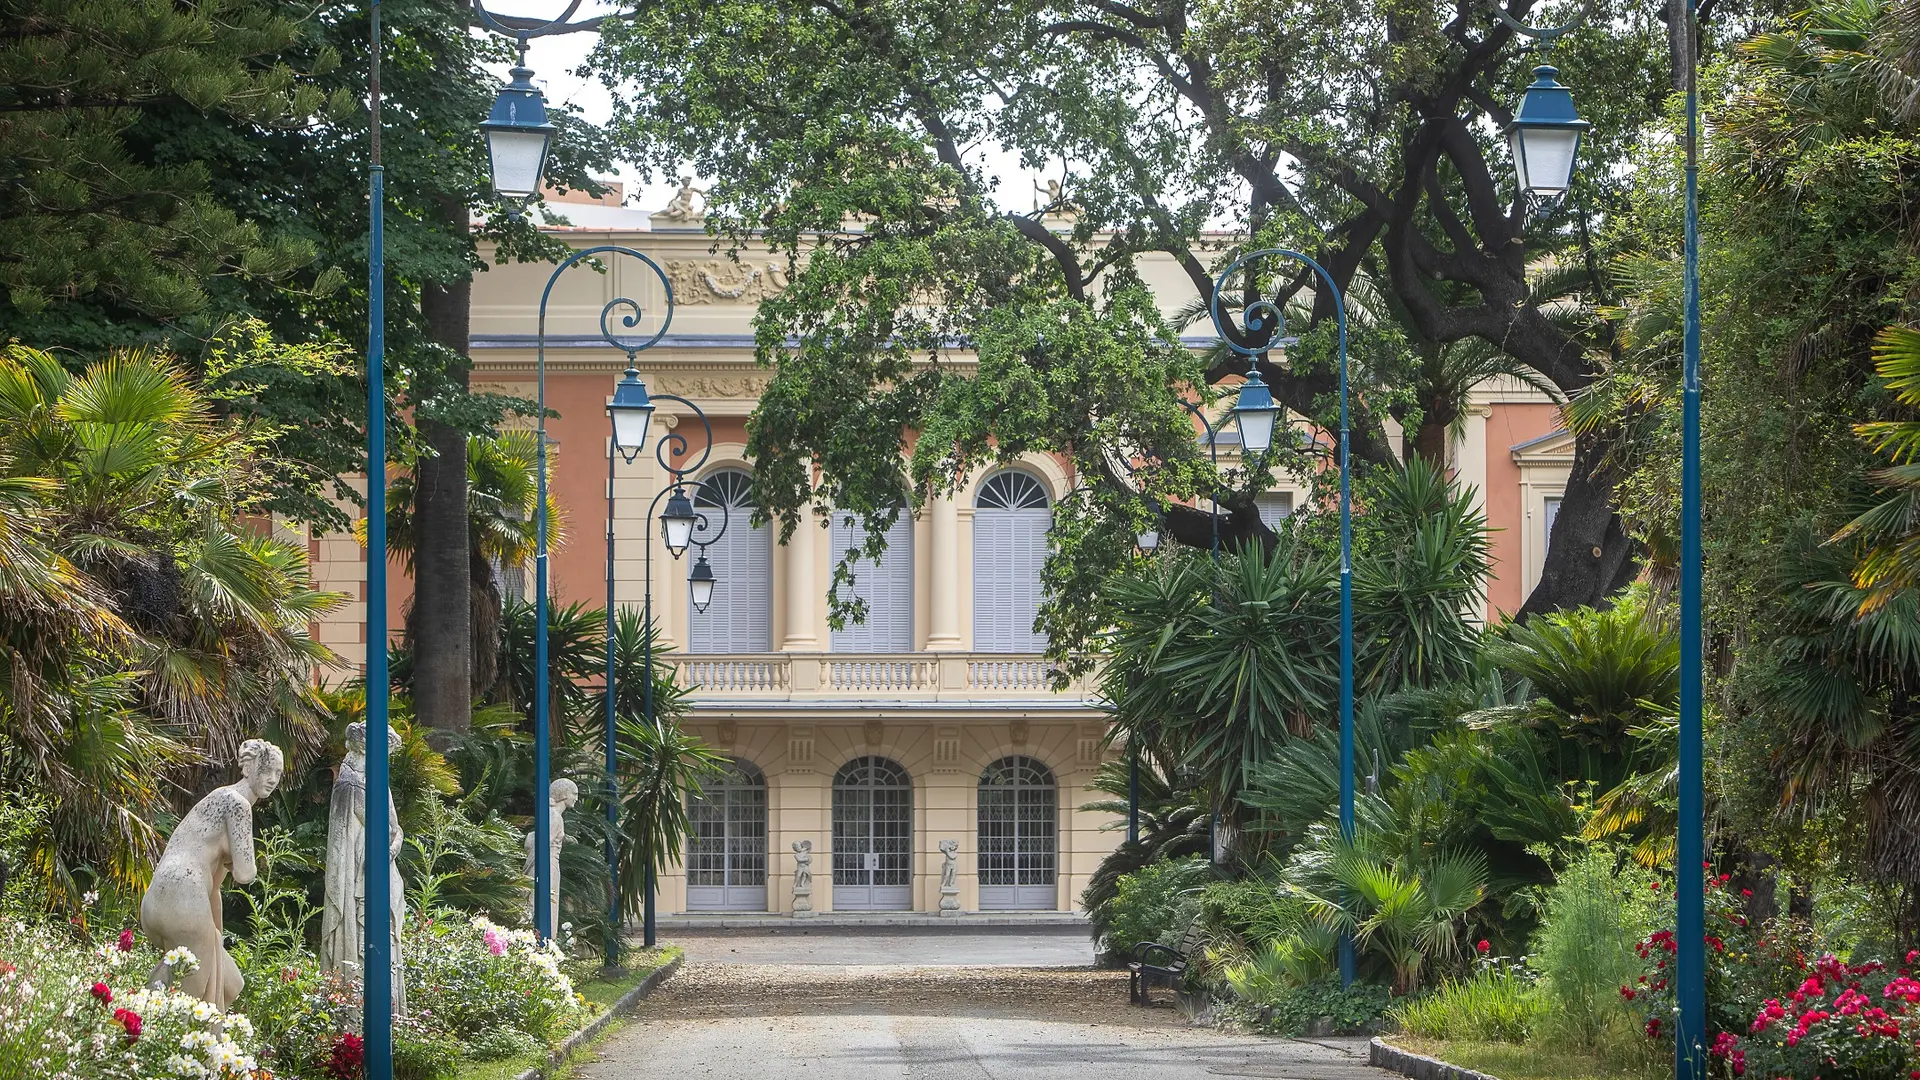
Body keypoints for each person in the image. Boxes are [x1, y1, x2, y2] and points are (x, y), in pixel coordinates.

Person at [140, 739, 284, 1008]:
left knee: (230, 985)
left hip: (161, 900)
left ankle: (141, 1021)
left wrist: (215, 937)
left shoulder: (217, 799)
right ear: (249, 769)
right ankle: (138, 1031)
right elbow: (245, 873)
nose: (272, 779)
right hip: (183, 892)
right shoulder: (237, 803)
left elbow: (215, 887)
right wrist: (249, 861)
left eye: (278, 773)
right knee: (186, 1000)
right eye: (267, 770)